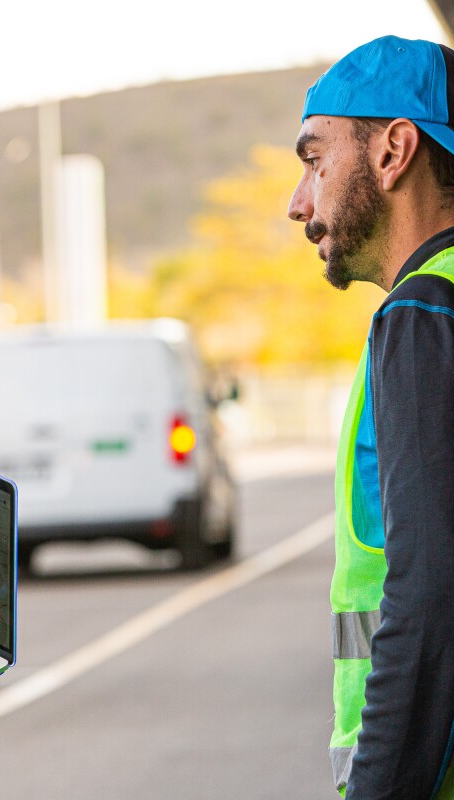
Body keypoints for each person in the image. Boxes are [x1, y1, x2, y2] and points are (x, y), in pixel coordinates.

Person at [287, 35, 454, 798]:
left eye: (316, 160)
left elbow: (429, 599)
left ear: (394, 152)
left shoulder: (423, 314)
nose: (299, 203)